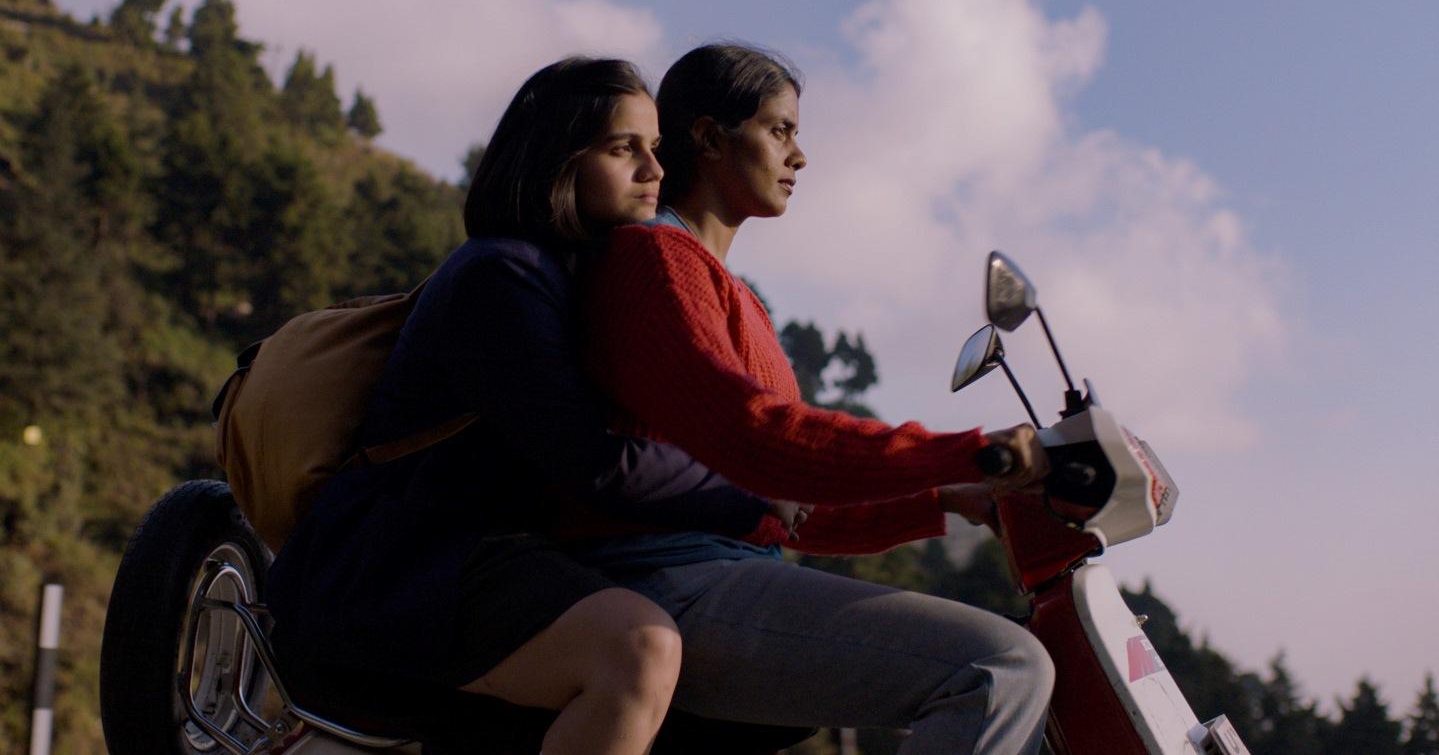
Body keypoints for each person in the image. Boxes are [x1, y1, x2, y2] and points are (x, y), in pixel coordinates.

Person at [265, 57, 787, 755]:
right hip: (397, 572)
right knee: (637, 648)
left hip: (478, 570)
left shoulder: (573, 277)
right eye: (621, 148)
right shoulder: (501, 276)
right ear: (558, 159)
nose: (653, 170)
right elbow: (595, 463)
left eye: (655, 149)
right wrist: (749, 494)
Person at [577, 44, 1056, 753]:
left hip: (725, 573)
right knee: (1000, 666)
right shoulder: (652, 260)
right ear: (708, 136)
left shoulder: (734, 296)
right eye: (779, 130)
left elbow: (789, 513)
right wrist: (963, 449)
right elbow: (757, 439)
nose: (799, 156)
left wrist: (947, 497)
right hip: (665, 579)